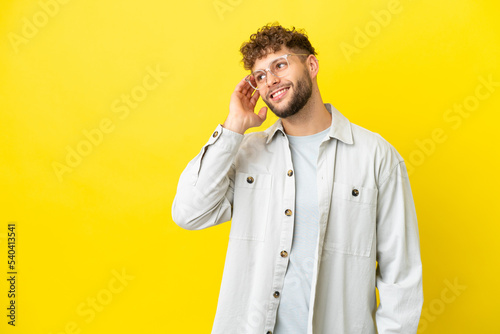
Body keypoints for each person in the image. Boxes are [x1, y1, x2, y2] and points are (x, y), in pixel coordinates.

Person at [172, 24, 423, 334]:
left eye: (280, 64)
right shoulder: (248, 153)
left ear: (311, 65)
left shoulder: (375, 156)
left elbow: (401, 274)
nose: (271, 80)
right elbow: (188, 213)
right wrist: (234, 125)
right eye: (260, 76)